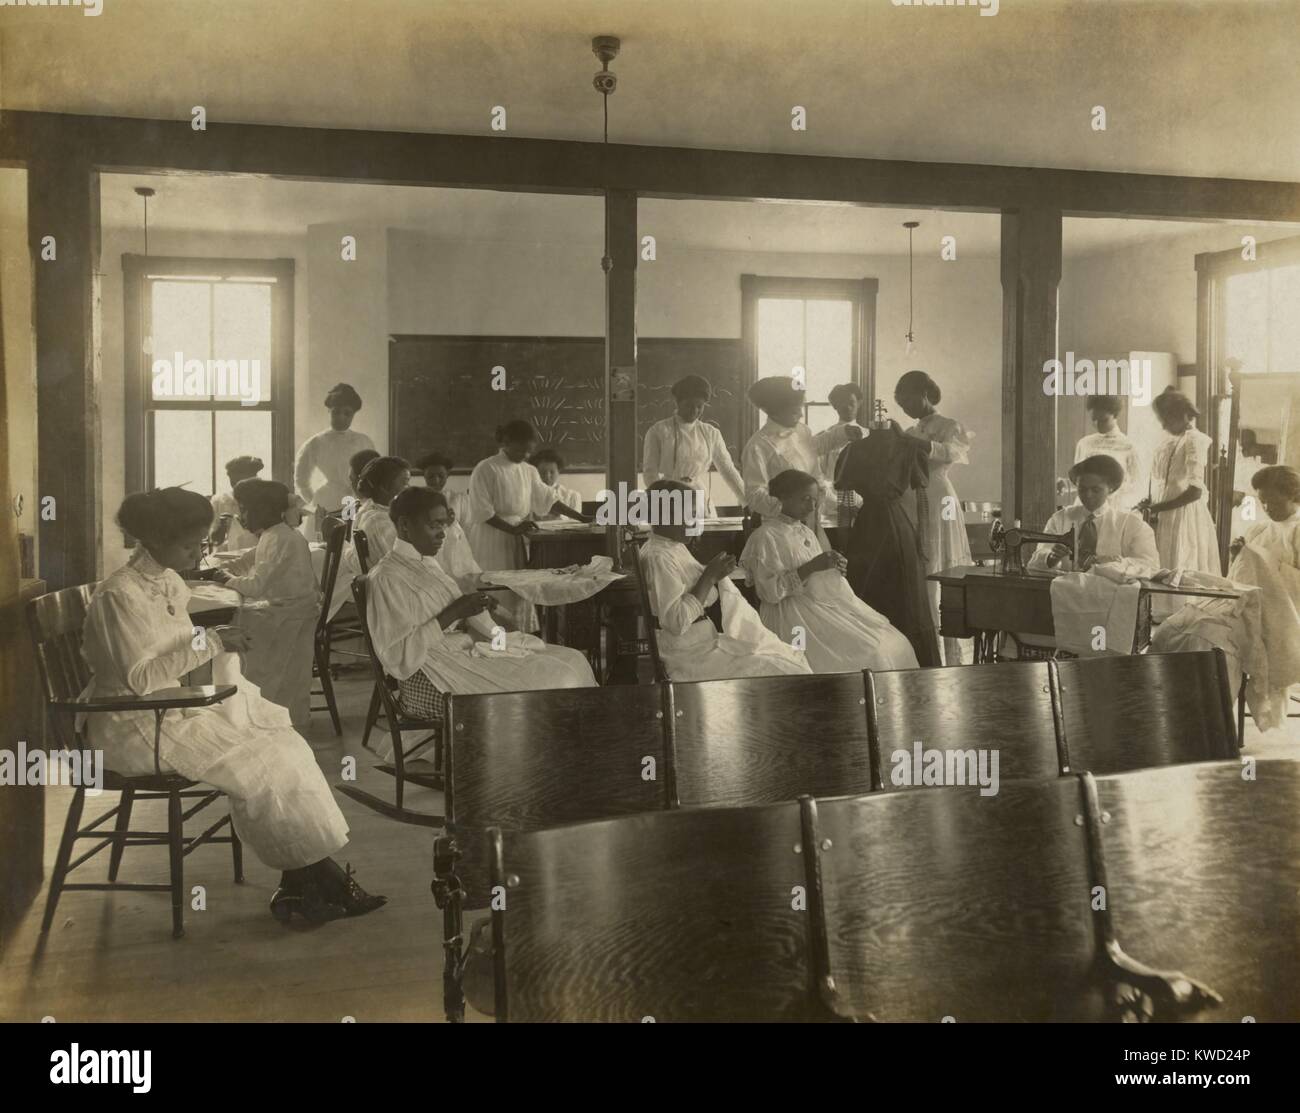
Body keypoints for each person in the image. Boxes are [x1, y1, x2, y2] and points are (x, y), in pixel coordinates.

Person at [82, 488, 384, 924]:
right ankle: (317, 883)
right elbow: (142, 679)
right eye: (189, 545)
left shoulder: (166, 581)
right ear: (153, 539)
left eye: (200, 543)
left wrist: (214, 638)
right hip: (133, 724)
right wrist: (213, 641)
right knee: (260, 761)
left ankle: (304, 882)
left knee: (285, 745)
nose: (197, 552)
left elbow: (179, 646)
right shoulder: (118, 596)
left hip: (170, 708)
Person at [365, 487, 597, 729]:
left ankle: (559, 748)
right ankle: (539, 752)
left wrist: (479, 609)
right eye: (434, 525)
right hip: (431, 675)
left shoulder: (426, 564)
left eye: (444, 525)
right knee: (558, 678)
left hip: (458, 653)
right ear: (404, 526)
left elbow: (458, 612)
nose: (442, 534)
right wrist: (454, 613)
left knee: (573, 659)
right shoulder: (387, 577)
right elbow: (395, 655)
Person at [739, 469, 918, 674]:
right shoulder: (765, 537)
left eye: (815, 500)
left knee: (894, 642)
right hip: (789, 615)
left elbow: (818, 577)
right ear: (783, 498)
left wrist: (832, 569)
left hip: (817, 605)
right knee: (871, 651)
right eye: (805, 499)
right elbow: (769, 593)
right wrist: (813, 566)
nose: (812, 506)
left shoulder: (805, 532)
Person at [639, 480, 811, 680]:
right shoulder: (659, 557)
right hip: (689, 656)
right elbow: (675, 622)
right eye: (689, 514)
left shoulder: (672, 547)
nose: (695, 521)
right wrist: (710, 576)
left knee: (787, 657)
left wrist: (714, 573)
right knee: (782, 669)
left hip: (703, 644)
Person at [210, 479, 320, 730]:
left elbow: (256, 586)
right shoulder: (274, 534)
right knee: (233, 625)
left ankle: (255, 715)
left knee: (230, 634)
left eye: (246, 509)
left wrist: (226, 579)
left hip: (290, 616)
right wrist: (228, 570)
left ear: (266, 510)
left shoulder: (282, 538)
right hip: (287, 610)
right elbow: (250, 559)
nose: (241, 515)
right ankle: (245, 708)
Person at [466, 420, 590, 631]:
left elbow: (549, 499)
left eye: (529, 451)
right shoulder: (486, 468)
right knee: (497, 590)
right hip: (491, 539)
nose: (525, 455)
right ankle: (491, 640)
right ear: (506, 441)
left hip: (514, 537)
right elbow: (482, 511)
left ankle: (516, 641)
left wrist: (581, 517)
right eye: (521, 449)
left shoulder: (529, 470)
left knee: (517, 592)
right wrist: (513, 529)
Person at [896, 371, 974, 665]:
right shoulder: (911, 429)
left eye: (909, 400)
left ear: (925, 394)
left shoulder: (949, 426)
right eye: (901, 405)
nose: (906, 408)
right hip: (912, 500)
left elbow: (950, 453)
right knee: (920, 564)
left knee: (938, 561)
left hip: (938, 497)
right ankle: (924, 641)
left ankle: (947, 650)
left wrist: (912, 443)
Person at [1136, 387, 1221, 577]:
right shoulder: (1169, 441)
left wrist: (1159, 507)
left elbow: (1195, 491)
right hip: (1164, 514)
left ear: (1182, 415)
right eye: (1161, 420)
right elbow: (1163, 481)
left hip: (1183, 516)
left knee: (1178, 565)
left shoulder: (1195, 440)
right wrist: (1150, 502)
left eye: (1167, 420)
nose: (1163, 426)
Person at [1027, 454, 1160, 574]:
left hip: (1111, 595)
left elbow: (1150, 565)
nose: (1088, 495)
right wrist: (1051, 558)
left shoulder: (1131, 524)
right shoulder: (1060, 518)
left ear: (1111, 489)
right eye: (1082, 489)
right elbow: (1035, 560)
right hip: (1065, 591)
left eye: (1096, 490)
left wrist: (1111, 564)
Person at [642, 374, 746, 515]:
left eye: (699, 406)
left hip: (698, 496)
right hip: (668, 495)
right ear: (677, 403)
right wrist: (662, 500)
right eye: (689, 405)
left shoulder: (711, 433)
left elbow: (728, 469)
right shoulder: (659, 431)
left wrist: (747, 501)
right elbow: (650, 472)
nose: (694, 411)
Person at [740, 376, 836, 519]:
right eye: (794, 411)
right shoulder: (758, 446)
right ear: (774, 411)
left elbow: (817, 480)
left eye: (801, 409)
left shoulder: (803, 432)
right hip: (779, 525)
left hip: (812, 519)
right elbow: (754, 496)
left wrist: (839, 504)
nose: (801, 415)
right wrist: (789, 509)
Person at [294, 383, 376, 538]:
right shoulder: (316, 442)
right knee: (324, 544)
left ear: (354, 414)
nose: (341, 417)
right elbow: (301, 479)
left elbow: (375, 473)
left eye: (347, 413)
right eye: (336, 412)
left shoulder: (364, 441)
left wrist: (364, 498)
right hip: (326, 501)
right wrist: (315, 503)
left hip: (356, 499)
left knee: (352, 543)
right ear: (329, 411)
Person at [1074, 395, 1142, 512]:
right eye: (1094, 420)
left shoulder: (1128, 445)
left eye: (1103, 420)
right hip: (1088, 503)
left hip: (1115, 506)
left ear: (1114, 416)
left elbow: (1136, 482)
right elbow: (1079, 478)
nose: (1098, 424)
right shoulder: (1084, 443)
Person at [345, 456, 411, 571]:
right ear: (385, 487)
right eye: (405, 482)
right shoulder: (380, 522)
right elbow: (401, 564)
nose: (409, 488)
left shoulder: (370, 508)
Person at [812, 383, 865, 511]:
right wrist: (835, 501)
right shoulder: (825, 439)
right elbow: (819, 474)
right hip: (833, 502)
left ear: (859, 402)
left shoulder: (869, 435)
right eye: (842, 403)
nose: (847, 407)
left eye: (851, 402)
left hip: (864, 501)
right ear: (835, 406)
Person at [209, 455, 263, 552]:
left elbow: (274, 536)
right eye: (232, 480)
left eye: (240, 480)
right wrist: (222, 526)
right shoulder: (219, 501)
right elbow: (215, 540)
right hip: (227, 557)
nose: (235, 484)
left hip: (257, 555)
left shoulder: (266, 499)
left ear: (254, 477)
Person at [529, 448, 583, 521]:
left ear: (558, 472)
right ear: (535, 473)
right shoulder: (528, 493)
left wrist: (560, 515)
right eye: (542, 472)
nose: (547, 476)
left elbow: (576, 523)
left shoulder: (572, 496)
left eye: (552, 472)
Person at [413, 451, 469, 522]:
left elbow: (467, 528)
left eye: (441, 476)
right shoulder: (416, 500)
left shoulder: (459, 500)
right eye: (431, 476)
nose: (436, 481)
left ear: (447, 475)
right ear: (424, 475)